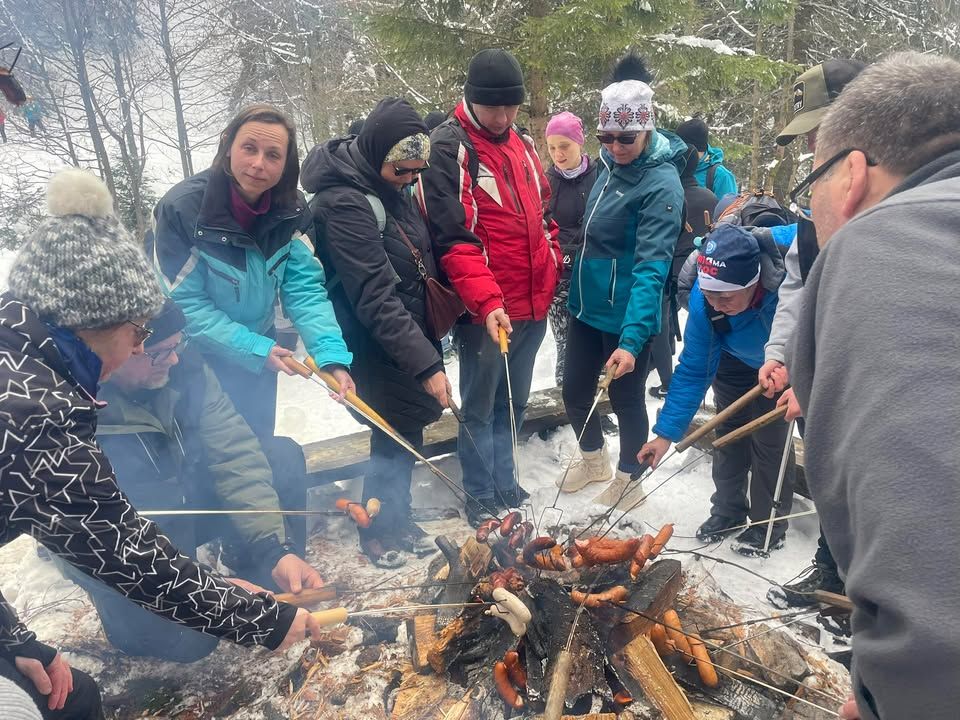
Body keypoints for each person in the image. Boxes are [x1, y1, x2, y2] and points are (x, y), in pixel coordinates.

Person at [0, 169, 320, 717]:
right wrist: (256, 617)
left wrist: (13, 641)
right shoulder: (37, 410)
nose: (135, 350)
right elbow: (124, 550)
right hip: (129, 536)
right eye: (138, 333)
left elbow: (234, 452)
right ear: (90, 320)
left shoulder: (21, 352)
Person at [788, 52, 960, 720]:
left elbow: (937, 599)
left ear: (852, 175)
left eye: (813, 188)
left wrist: (896, 688)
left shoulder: (887, 244)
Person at [52, 300, 323, 662]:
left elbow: (234, 454)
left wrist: (273, 548)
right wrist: (210, 591)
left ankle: (255, 569)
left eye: (178, 346)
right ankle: (142, 625)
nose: (175, 360)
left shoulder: (187, 369)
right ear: (116, 349)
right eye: (161, 353)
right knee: (190, 641)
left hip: (186, 501)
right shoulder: (66, 408)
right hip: (121, 546)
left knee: (280, 456)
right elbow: (84, 539)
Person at [149, 104, 355, 519]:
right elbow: (186, 307)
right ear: (228, 148)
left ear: (285, 164)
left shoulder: (291, 211)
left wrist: (330, 355)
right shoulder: (183, 211)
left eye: (273, 155)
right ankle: (218, 549)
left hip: (258, 353)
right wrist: (256, 349)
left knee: (257, 446)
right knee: (209, 456)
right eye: (249, 148)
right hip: (194, 357)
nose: (259, 164)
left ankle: (260, 538)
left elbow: (304, 290)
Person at [302, 97, 449, 566]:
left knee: (405, 427)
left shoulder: (388, 188)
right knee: (392, 428)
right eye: (402, 171)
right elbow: (372, 293)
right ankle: (377, 528)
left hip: (401, 332)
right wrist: (424, 362)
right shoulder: (344, 202)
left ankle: (395, 513)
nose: (410, 181)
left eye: (416, 172)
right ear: (376, 154)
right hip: (367, 338)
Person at [419, 49, 561, 526]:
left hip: (532, 301)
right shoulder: (450, 147)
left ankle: (506, 479)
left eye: (510, 107)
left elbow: (544, 210)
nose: (501, 117)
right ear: (471, 99)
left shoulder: (519, 142)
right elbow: (455, 239)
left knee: (514, 402)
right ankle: (480, 493)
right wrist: (486, 302)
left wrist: (553, 261)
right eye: (492, 108)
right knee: (479, 405)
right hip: (488, 308)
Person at [759, 58, 866, 611]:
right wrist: (782, 355)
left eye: (822, 133)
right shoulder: (815, 201)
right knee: (824, 466)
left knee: (867, 480)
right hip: (822, 369)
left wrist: (819, 383)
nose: (813, 149)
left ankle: (869, 594)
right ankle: (831, 569)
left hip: (866, 384)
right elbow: (800, 290)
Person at [556, 55, 684, 495]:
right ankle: (594, 461)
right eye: (604, 137)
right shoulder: (608, 168)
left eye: (625, 138)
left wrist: (632, 341)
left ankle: (631, 481)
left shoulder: (661, 184)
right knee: (573, 389)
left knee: (626, 399)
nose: (613, 147)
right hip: (588, 306)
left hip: (630, 313)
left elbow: (652, 267)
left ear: (647, 129)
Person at [639, 222, 796, 556]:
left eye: (725, 296)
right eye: (709, 295)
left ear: (753, 282)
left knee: (770, 441)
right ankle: (727, 511)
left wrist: (796, 368)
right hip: (735, 360)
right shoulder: (704, 301)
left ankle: (767, 525)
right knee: (729, 432)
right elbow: (694, 370)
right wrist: (665, 435)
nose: (715, 303)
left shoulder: (789, 280)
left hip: (786, 363)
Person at [647, 143, 717, 400]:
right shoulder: (709, 197)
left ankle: (668, 380)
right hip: (698, 269)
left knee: (661, 325)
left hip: (667, 270)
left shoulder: (668, 194)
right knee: (693, 322)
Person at [543, 111, 598, 388]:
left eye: (564, 146)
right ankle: (566, 400)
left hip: (595, 272)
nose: (558, 154)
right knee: (566, 343)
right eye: (552, 147)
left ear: (580, 143)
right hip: (561, 274)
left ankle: (598, 404)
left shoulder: (601, 175)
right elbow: (541, 226)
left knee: (592, 339)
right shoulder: (546, 181)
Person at [675, 116, 737, 197]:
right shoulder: (675, 167)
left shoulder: (721, 176)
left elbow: (729, 208)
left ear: (693, 149)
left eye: (682, 149)